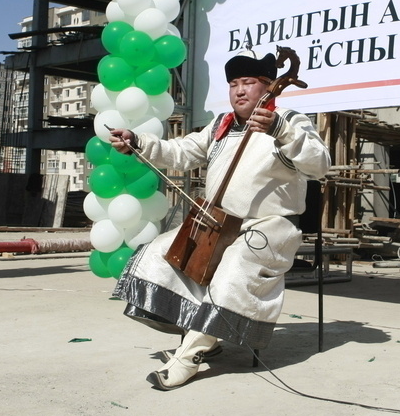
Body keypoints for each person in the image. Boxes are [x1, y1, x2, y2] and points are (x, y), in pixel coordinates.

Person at [109, 48, 331, 390]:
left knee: (235, 267)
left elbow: (320, 164)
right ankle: (202, 335)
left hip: (269, 228)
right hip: (218, 225)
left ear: (267, 86)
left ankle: (189, 357)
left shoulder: (288, 120)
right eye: (233, 84)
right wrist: (138, 141)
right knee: (159, 253)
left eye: (248, 82)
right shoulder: (221, 125)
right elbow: (181, 152)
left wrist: (281, 131)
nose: (239, 91)